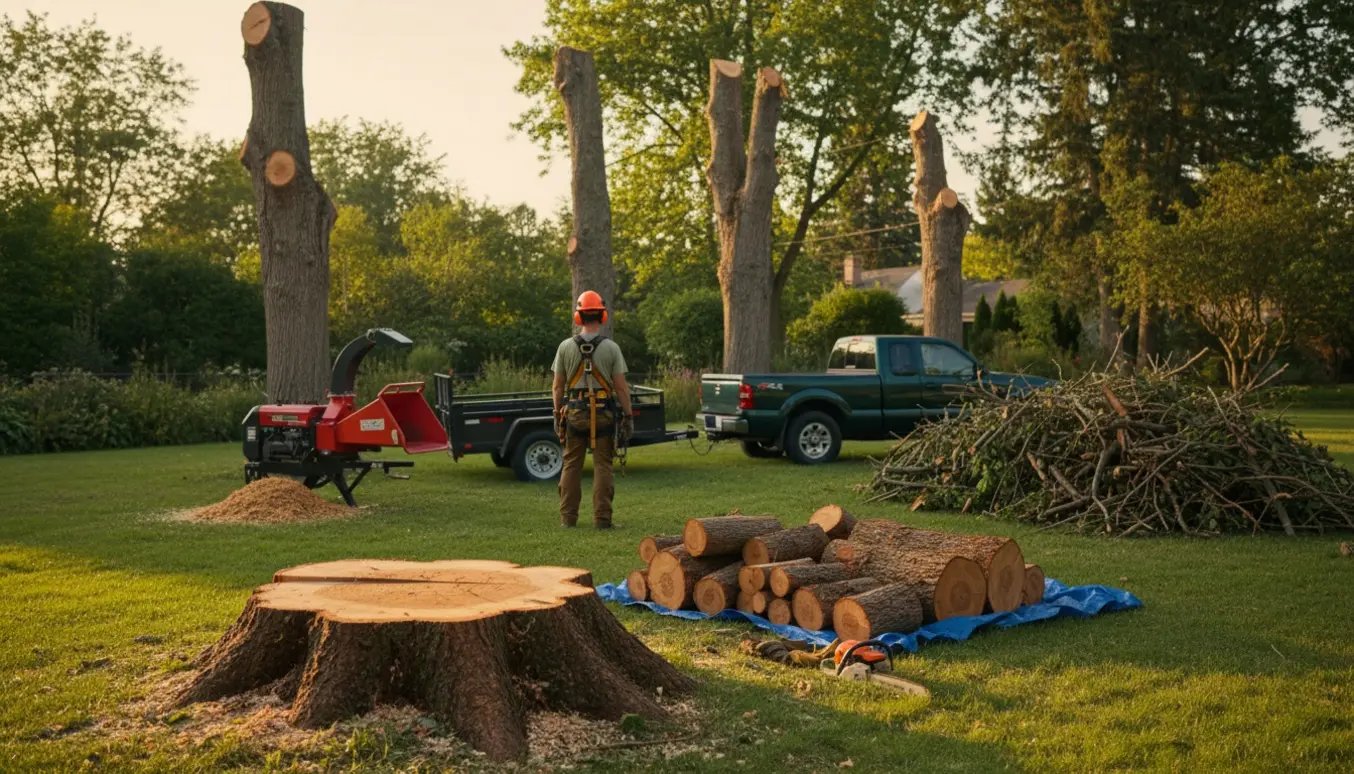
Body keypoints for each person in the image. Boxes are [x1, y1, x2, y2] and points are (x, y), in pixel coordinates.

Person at [552, 291, 633, 528]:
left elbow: (557, 387)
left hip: (575, 413)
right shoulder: (611, 348)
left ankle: (568, 519)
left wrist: (557, 414)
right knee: (603, 465)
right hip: (604, 413)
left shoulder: (565, 347)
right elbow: (621, 387)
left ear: (579, 316)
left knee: (571, 464)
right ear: (602, 315)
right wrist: (628, 415)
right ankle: (602, 519)